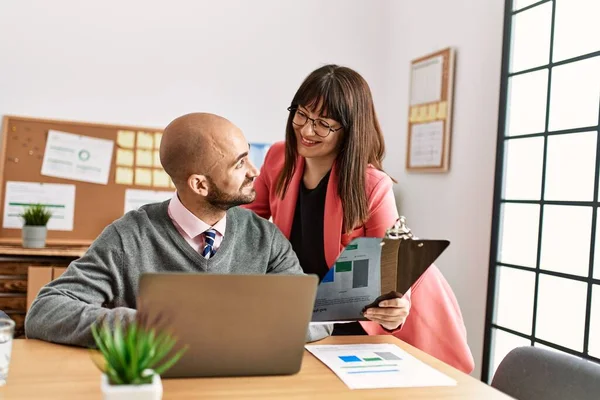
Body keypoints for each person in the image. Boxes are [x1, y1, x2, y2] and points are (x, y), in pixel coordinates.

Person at [25, 113, 332, 347]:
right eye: (240, 165)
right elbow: (45, 312)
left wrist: (230, 326)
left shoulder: (264, 238)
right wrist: (158, 326)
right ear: (199, 184)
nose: (255, 172)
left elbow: (316, 316)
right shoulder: (128, 237)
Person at [243, 65, 474, 373]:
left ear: (349, 129)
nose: (307, 130)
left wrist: (395, 306)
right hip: (311, 315)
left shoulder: (372, 184)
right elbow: (244, 222)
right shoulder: (278, 156)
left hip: (369, 318)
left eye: (323, 124)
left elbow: (391, 265)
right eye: (301, 114)